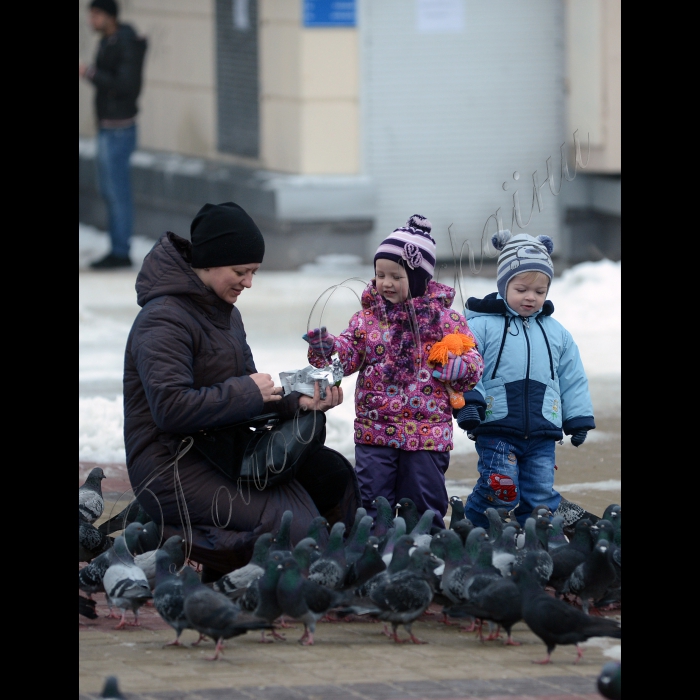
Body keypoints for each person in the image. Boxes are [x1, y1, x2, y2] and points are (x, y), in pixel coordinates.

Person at [123, 202, 360, 579]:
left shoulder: (227, 314)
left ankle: (337, 569)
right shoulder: (162, 319)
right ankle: (172, 542)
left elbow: (251, 396)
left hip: (221, 451)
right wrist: (246, 392)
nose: (248, 282)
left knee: (331, 476)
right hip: (169, 463)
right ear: (210, 261)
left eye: (253, 272)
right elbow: (169, 409)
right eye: (241, 271)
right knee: (296, 528)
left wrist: (298, 399)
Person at [304, 215, 484, 529]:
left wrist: (460, 367)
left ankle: (423, 549)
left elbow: (472, 363)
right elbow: (347, 357)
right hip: (375, 430)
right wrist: (328, 348)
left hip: (427, 434)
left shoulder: (445, 320)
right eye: (379, 274)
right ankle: (374, 548)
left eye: (395, 276)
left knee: (424, 500)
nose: (385, 283)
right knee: (373, 499)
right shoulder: (366, 320)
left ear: (418, 279)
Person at [453, 230, 598, 530]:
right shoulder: (480, 326)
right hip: (497, 427)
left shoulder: (556, 332)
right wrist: (469, 403)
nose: (531, 297)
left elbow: (572, 376)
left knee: (539, 496)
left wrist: (578, 416)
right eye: (521, 289)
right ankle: (473, 525)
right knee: (501, 489)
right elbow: (467, 365)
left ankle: (532, 538)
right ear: (504, 284)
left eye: (540, 291)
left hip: (544, 430)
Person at [79, 0, 147, 270]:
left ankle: (121, 251)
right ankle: (117, 247)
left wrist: (90, 73)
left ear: (109, 16)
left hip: (120, 129)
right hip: (108, 127)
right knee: (109, 190)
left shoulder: (126, 43)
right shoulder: (109, 42)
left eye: (96, 15)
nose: (91, 21)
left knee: (118, 192)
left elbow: (124, 85)